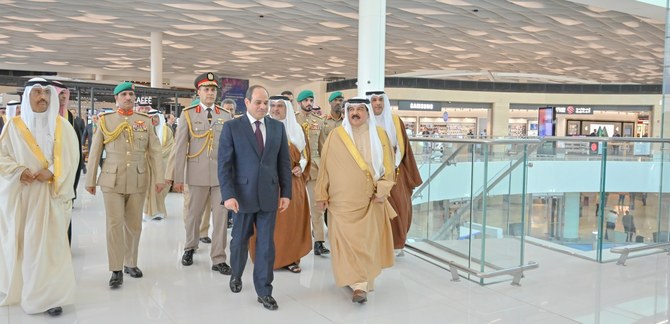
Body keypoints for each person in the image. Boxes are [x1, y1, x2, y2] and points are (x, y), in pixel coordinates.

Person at [0, 78, 79, 316]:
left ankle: (50, 297)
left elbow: (72, 158)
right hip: (22, 195)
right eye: (36, 92)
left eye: (46, 92)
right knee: (22, 243)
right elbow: (2, 157)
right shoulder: (13, 126)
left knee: (49, 247)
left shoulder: (62, 126)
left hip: (50, 196)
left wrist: (53, 172)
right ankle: (20, 288)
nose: (42, 97)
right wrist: (19, 171)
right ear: (27, 96)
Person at [315, 97, 396, 304]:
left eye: (360, 109)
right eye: (351, 109)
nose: (355, 113)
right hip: (341, 203)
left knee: (365, 244)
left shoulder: (380, 135)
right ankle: (358, 284)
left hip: (371, 200)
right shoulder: (335, 136)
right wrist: (321, 195)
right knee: (347, 244)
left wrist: (384, 190)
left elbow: (389, 167)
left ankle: (360, 282)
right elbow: (324, 168)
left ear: (368, 112)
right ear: (346, 112)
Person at [218, 85, 292, 311]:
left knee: (266, 245)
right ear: (247, 103)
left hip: (269, 196)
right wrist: (228, 195)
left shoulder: (277, 128)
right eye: (258, 102)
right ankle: (236, 274)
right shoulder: (232, 127)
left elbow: (284, 164)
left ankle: (264, 290)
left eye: (265, 103)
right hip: (242, 197)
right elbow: (224, 165)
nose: (263, 107)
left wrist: (286, 193)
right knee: (239, 240)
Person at [85, 82, 165, 288]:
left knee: (134, 225)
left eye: (131, 94)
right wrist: (90, 179)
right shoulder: (105, 120)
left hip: (138, 179)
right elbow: (94, 152)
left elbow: (155, 151)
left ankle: (131, 262)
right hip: (112, 180)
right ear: (116, 98)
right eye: (124, 95)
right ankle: (116, 269)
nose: (128, 98)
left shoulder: (145, 121)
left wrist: (159, 179)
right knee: (114, 225)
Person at [173, 73, 233, 274]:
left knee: (221, 218)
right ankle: (190, 246)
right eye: (206, 89)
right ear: (198, 92)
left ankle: (218, 258)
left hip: (220, 176)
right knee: (194, 215)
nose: (210, 93)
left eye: (213, 89)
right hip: (196, 174)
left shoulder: (225, 115)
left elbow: (232, 148)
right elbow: (180, 147)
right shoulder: (188, 114)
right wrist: (177, 178)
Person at [249, 95, 311, 273]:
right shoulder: (262, 128)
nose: (275, 109)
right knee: (268, 223)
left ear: (287, 109)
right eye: (272, 105)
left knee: (292, 222)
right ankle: (266, 258)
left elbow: (305, 154)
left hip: (291, 184)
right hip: (268, 184)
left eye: (279, 106)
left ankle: (291, 258)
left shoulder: (297, 129)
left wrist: (301, 166)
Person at [367, 91, 422, 254]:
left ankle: (395, 243)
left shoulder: (396, 121)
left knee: (399, 205)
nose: (377, 103)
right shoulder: (365, 122)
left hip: (395, 171)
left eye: (380, 100)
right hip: (371, 172)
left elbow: (401, 146)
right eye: (374, 100)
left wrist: (392, 166)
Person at [295, 89, 330, 256]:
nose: (309, 103)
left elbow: (323, 147)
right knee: (296, 206)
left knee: (317, 206)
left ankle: (319, 241)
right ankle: (295, 240)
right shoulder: (292, 120)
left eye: (311, 100)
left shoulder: (319, 121)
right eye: (305, 100)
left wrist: (325, 169)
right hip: (296, 168)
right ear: (299, 102)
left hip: (315, 168)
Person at [53, 81, 84, 245]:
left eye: (65, 94)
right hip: (45, 177)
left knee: (65, 213)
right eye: (60, 94)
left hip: (67, 175)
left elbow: (76, 151)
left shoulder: (71, 118)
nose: (63, 97)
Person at [143, 109, 174, 220]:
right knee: (148, 188)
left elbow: (170, 147)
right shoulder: (144, 129)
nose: (153, 120)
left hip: (164, 164)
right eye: (151, 118)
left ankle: (159, 211)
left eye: (155, 117)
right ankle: (148, 212)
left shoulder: (167, 130)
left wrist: (156, 155)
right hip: (148, 164)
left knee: (161, 189)